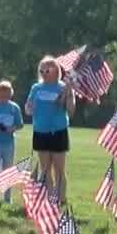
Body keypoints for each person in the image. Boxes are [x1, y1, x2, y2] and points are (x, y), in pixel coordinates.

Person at [24, 56, 75, 203]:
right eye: (41, 70)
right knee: (45, 169)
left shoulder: (63, 87)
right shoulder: (36, 88)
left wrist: (69, 95)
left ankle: (60, 198)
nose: (43, 73)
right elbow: (28, 107)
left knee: (59, 169)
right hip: (40, 131)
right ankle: (50, 199)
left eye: (47, 70)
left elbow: (71, 111)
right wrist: (29, 108)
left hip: (58, 131)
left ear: (56, 71)